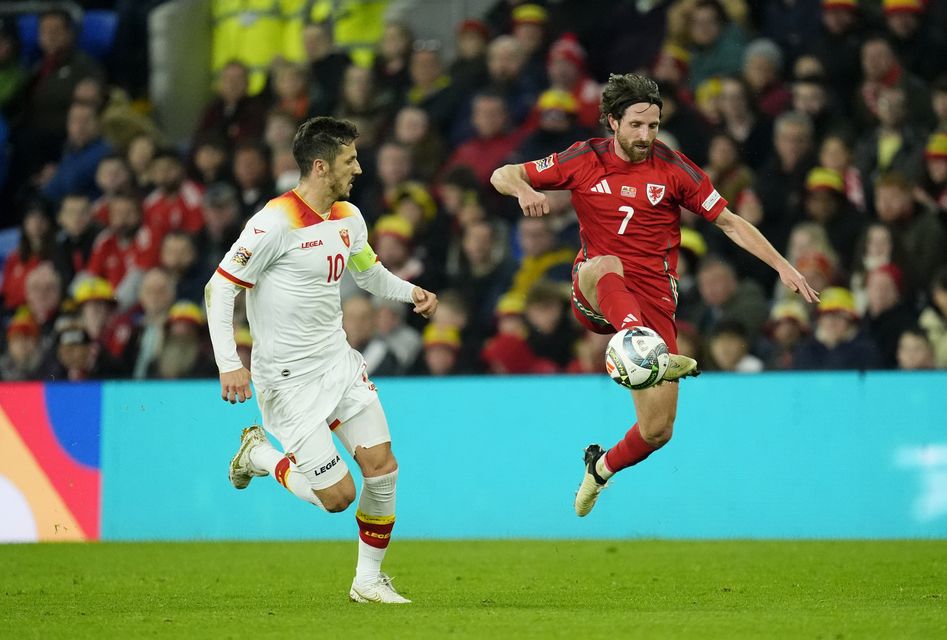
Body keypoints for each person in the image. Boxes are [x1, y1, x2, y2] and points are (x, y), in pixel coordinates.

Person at [491, 73, 818, 517]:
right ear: (613, 122)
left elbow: (730, 222)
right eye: (636, 126)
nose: (646, 136)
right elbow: (502, 173)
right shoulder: (584, 158)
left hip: (655, 299)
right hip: (597, 288)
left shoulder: (674, 168)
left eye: (653, 126)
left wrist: (782, 264)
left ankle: (599, 468)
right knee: (605, 263)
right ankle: (640, 345)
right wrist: (525, 188)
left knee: (658, 430)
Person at [206, 116, 437, 603]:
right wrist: (230, 362)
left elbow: (369, 275)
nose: (358, 168)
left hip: (338, 363)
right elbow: (220, 286)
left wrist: (409, 291)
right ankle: (259, 455)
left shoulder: (348, 217)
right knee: (338, 499)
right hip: (287, 381)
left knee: (383, 467)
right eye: (349, 160)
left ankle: (367, 581)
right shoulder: (273, 223)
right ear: (320, 165)